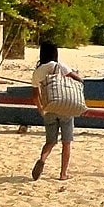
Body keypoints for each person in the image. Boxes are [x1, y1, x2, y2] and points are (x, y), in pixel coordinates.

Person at [30, 41, 81, 181]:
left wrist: (41, 110)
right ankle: (63, 174)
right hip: (65, 107)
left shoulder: (38, 71)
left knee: (50, 141)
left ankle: (42, 159)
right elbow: (79, 80)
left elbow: (35, 96)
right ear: (55, 53)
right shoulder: (59, 66)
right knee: (66, 142)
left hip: (49, 108)